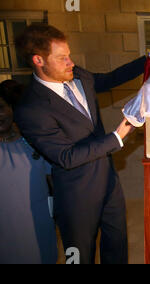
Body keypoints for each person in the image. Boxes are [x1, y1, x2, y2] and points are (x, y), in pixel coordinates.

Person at [14, 23, 145, 264]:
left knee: (117, 248)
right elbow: (66, 156)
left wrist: (147, 61)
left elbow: (108, 79)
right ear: (38, 60)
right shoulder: (30, 108)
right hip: (77, 195)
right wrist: (117, 136)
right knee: (79, 256)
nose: (71, 62)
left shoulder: (78, 75)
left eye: (70, 55)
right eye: (62, 58)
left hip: (108, 181)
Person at [0, 80, 58, 264]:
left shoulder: (34, 143)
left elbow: (55, 182)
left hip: (39, 233)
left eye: (1, 107)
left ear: (11, 107)